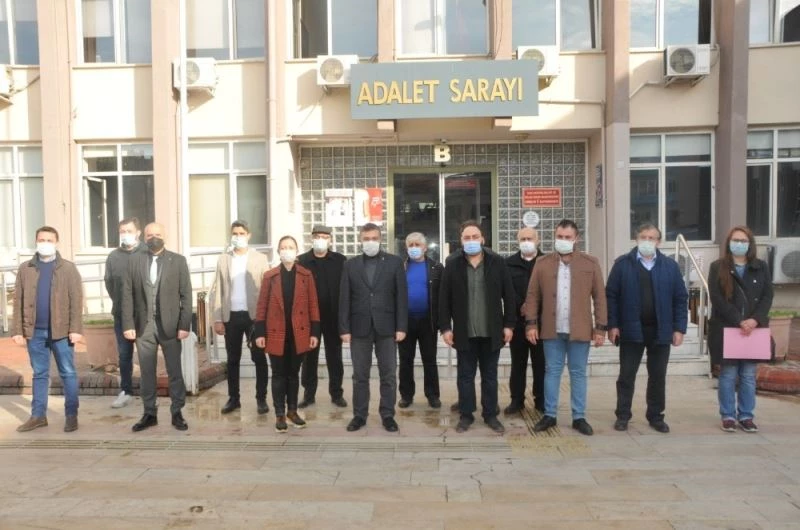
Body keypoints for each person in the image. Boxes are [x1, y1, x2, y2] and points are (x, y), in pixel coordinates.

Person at [525, 219, 607, 436]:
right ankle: (549, 414)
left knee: (578, 373)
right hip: (552, 329)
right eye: (559, 237)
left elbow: (600, 297)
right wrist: (531, 324)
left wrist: (600, 329)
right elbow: (532, 295)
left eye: (567, 237)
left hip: (580, 330)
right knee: (551, 371)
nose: (562, 240)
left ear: (576, 238)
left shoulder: (590, 263)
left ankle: (579, 417)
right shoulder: (542, 263)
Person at [606, 223, 688, 433]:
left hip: (661, 331)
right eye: (643, 237)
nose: (647, 241)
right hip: (631, 330)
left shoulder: (670, 266)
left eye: (652, 238)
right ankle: (623, 415)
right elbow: (611, 296)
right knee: (626, 375)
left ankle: (656, 416)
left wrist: (679, 328)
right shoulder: (622, 264)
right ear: (636, 239)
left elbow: (680, 298)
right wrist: (612, 325)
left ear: (659, 242)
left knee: (658, 376)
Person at [439, 220, 515, 434]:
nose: (471, 241)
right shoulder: (452, 264)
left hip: (491, 331)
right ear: (461, 240)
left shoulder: (497, 262)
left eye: (475, 237)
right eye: (467, 237)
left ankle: (490, 414)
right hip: (464, 332)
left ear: (483, 239)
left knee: (490, 376)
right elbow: (444, 299)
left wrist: (509, 325)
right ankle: (466, 415)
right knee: (465, 376)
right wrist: (445, 328)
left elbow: (509, 296)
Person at [12, 226, 83, 433]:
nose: (45, 243)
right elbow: (18, 300)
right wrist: (17, 329)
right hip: (35, 332)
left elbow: (76, 300)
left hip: (62, 332)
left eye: (49, 240)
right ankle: (38, 416)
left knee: (68, 372)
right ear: (36, 241)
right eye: (41, 240)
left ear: (56, 242)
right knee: (39, 374)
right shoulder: (26, 268)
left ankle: (71, 415)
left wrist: (75, 328)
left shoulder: (68, 268)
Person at [123, 222, 192, 432]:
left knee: (174, 371)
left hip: (170, 325)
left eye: (158, 234)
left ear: (165, 236)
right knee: (146, 372)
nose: (154, 238)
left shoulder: (178, 261)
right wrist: (128, 324)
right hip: (143, 326)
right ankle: (149, 413)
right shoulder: (134, 260)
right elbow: (127, 294)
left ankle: (177, 412)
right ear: (143, 237)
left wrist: (184, 324)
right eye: (150, 235)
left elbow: (186, 295)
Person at [339, 223, 408, 433]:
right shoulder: (350, 265)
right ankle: (359, 415)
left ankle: (388, 415)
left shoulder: (395, 262)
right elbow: (344, 298)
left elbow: (401, 296)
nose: (370, 242)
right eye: (366, 238)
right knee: (360, 375)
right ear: (361, 240)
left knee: (388, 375)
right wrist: (344, 328)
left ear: (380, 239)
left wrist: (401, 326)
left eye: (374, 238)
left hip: (387, 328)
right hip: (359, 328)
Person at [708, 226, 773, 433]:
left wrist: (755, 320)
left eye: (743, 241)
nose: (739, 244)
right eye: (735, 240)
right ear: (729, 243)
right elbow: (717, 298)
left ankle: (746, 415)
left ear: (750, 244)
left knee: (748, 375)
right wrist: (738, 320)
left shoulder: (761, 267)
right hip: (728, 328)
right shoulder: (718, 267)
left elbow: (767, 296)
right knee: (728, 374)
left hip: (753, 330)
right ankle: (728, 415)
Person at [254, 236, 321, 433]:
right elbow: (262, 306)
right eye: (283, 247)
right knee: (278, 374)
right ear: (278, 251)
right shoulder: (270, 276)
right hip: (276, 332)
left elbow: (313, 305)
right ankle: (279, 414)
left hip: (299, 332)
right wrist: (260, 332)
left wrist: (314, 332)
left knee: (293, 374)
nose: (287, 250)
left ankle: (292, 411)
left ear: (297, 251)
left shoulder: (306, 275)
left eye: (290, 247)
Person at [212, 220, 271, 415]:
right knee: (232, 359)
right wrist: (217, 318)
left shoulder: (260, 259)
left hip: (254, 317)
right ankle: (233, 399)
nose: (238, 237)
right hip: (231, 316)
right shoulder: (223, 259)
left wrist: (265, 319)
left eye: (242, 233)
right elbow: (218, 289)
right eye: (235, 233)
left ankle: (261, 399)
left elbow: (266, 290)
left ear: (249, 235)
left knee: (259, 357)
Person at [297, 225, 347, 409]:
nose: (321, 240)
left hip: (333, 316)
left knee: (335, 357)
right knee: (309, 358)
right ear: (312, 238)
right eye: (317, 236)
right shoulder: (302, 261)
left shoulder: (340, 260)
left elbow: (346, 288)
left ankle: (337, 394)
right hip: (310, 319)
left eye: (325, 237)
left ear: (330, 240)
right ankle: (308, 395)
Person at [104, 217, 147, 409]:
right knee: (124, 355)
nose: (125, 235)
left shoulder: (147, 253)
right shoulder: (114, 257)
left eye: (129, 231)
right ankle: (126, 390)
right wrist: (122, 304)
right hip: (122, 314)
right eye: (122, 231)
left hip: (144, 314)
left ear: (138, 232)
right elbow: (109, 283)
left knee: (147, 354)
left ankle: (149, 391)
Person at [398, 232, 443, 409]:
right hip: (405, 322)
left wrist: (443, 323)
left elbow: (442, 295)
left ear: (425, 247)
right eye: (411, 245)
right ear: (406, 248)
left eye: (418, 245)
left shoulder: (436, 267)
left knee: (429, 360)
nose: (414, 248)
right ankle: (406, 396)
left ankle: (433, 395)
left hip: (428, 322)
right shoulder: (400, 267)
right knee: (405, 360)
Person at [505, 227, 545, 415]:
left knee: (541, 364)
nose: (526, 242)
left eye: (530, 238)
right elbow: (506, 291)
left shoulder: (546, 262)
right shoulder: (509, 264)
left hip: (541, 323)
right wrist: (520, 305)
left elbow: (550, 290)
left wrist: (532, 307)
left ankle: (541, 400)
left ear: (538, 240)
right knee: (518, 364)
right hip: (518, 323)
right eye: (523, 239)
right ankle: (516, 400)